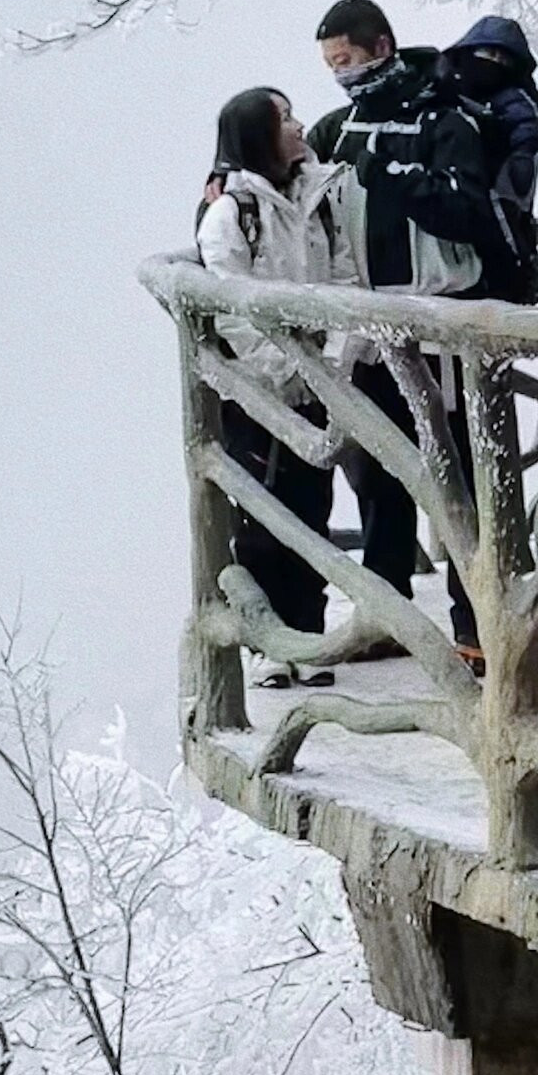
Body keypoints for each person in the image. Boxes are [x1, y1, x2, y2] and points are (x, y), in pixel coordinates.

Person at [304, 0, 497, 674]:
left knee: (460, 483)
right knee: (377, 475)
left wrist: (391, 179)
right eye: (331, 66)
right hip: (366, 331)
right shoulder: (338, 128)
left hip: (441, 329)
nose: (341, 76)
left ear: (381, 47)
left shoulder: (445, 119)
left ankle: (478, 628)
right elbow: (278, 180)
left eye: (348, 61)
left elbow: (469, 211)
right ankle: (385, 617)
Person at [195, 88, 342, 691]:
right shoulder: (232, 212)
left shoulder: (318, 196)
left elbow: (344, 277)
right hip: (256, 393)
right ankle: (265, 642)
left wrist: (333, 361)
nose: (299, 124)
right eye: (284, 118)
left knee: (313, 510)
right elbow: (228, 303)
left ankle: (307, 634)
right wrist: (276, 371)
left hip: (321, 383)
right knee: (261, 515)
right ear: (257, 134)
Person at [434, 17, 538, 304]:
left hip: (494, 213)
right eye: (487, 54)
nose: (494, 62)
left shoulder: (519, 104)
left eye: (502, 58)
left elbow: (517, 183)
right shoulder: (441, 91)